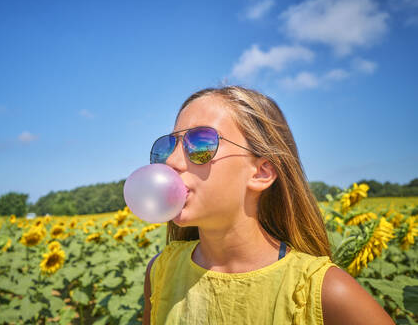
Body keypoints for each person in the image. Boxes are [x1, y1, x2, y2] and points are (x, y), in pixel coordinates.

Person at [142, 86, 394, 325]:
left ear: (261, 173)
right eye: (168, 146)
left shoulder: (324, 291)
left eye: (201, 144)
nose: (172, 161)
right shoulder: (161, 273)